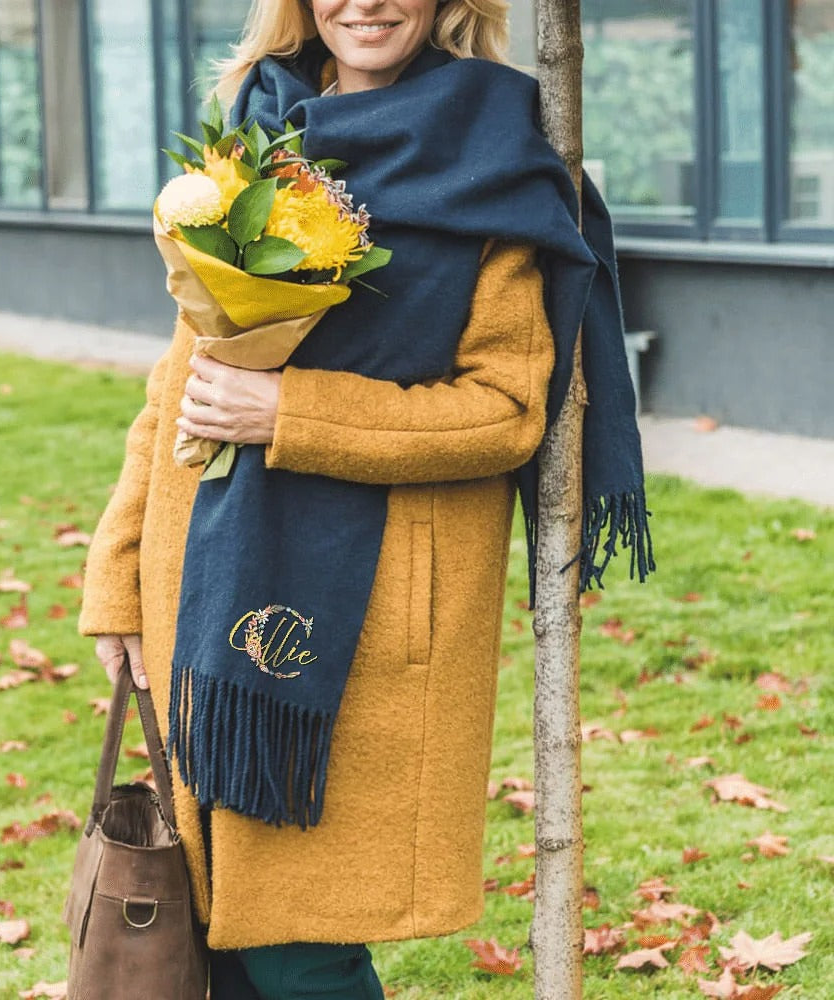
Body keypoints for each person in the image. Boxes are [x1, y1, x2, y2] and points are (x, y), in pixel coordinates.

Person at [80, 1, 651, 997]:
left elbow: (505, 410)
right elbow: (181, 379)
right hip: (204, 588)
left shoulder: (494, 156)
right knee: (220, 936)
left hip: (375, 622)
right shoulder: (256, 134)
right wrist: (118, 575)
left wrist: (289, 413)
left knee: (301, 944)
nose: (367, 2)